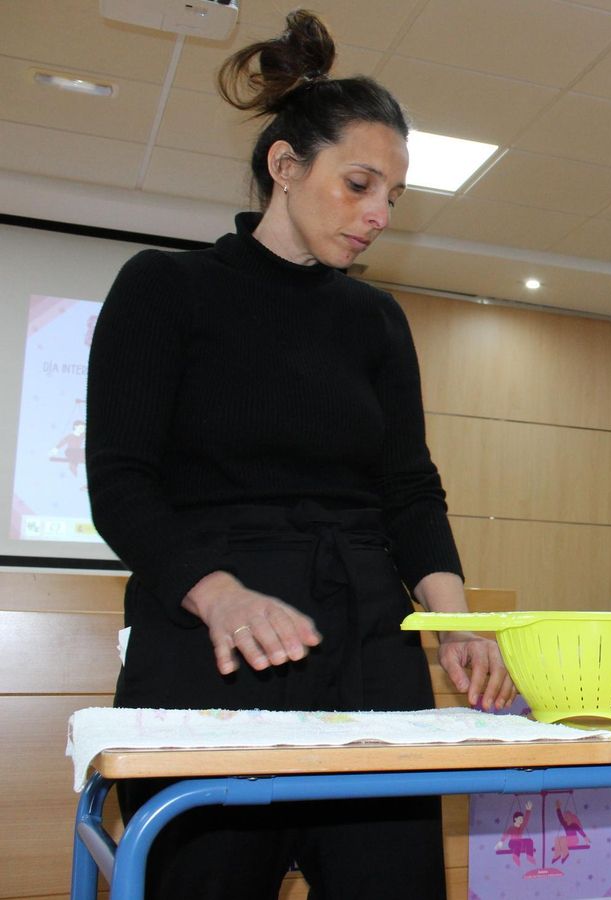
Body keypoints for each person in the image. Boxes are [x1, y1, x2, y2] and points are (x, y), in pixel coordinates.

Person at [84, 12, 513, 899]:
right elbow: (121, 484)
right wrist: (220, 593)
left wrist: (455, 622)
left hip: (367, 644)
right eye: (359, 185)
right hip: (213, 648)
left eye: (393, 196)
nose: (378, 215)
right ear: (286, 167)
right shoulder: (166, 289)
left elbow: (409, 491)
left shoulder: (377, 321)